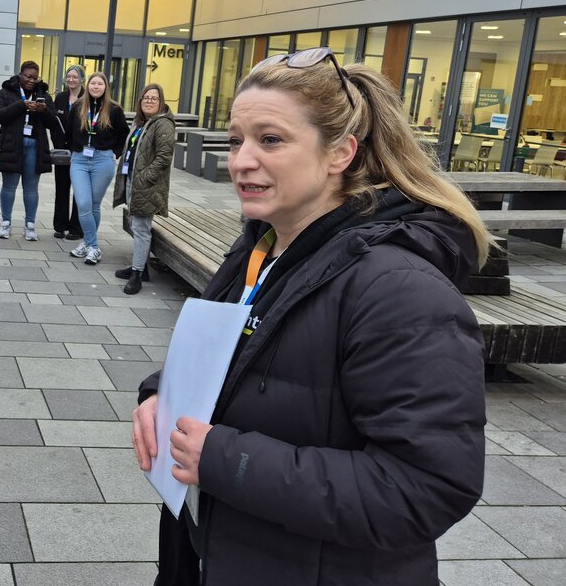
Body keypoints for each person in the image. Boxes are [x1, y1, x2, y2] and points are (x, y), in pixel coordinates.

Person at [131, 48, 490, 586]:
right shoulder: (260, 248)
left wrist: (226, 459)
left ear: (340, 152)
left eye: (270, 140)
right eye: (236, 140)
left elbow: (426, 488)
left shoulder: (400, 292)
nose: (241, 160)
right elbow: (244, 358)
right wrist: (161, 394)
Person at [112, 83, 174, 295]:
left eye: (154, 98)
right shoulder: (142, 123)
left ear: (161, 102)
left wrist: (144, 178)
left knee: (141, 227)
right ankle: (141, 267)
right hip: (133, 180)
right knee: (136, 224)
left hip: (146, 184)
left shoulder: (162, 124)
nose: (149, 101)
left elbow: (164, 157)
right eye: (146, 98)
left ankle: (137, 274)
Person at [67, 72, 128, 265]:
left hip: (103, 160)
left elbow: (123, 134)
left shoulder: (114, 109)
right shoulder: (78, 106)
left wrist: (115, 152)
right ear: (88, 85)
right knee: (83, 203)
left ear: (105, 87)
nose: (96, 86)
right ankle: (94, 246)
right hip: (79, 160)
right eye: (93, 83)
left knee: (93, 204)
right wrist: (74, 149)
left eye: (100, 84)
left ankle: (87, 244)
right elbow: (68, 131)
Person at [0, 61, 52, 241]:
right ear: (20, 75)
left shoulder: (43, 94)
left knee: (31, 188)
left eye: (35, 78)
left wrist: (44, 110)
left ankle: (30, 225)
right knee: (9, 186)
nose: (31, 80)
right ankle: (5, 223)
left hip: (35, 145)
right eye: (28, 76)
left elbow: (53, 122)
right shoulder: (6, 91)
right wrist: (21, 105)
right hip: (12, 144)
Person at [52, 64, 84, 240]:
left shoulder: (87, 98)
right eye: (69, 76)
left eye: (75, 77)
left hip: (80, 152)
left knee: (79, 191)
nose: (71, 80)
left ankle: (76, 228)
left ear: (82, 79)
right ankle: (60, 225)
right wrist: (58, 144)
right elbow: (54, 123)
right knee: (61, 189)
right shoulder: (60, 98)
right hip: (63, 152)